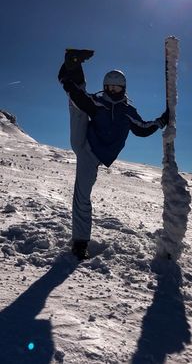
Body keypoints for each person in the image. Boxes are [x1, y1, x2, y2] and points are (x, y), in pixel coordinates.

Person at [58, 49, 169, 260]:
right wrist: (68, 85)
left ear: (123, 88)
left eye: (116, 87)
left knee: (78, 99)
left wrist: (161, 120)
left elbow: (142, 129)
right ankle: (80, 243)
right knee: (77, 103)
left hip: (99, 153)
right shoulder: (99, 102)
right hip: (87, 148)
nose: (112, 90)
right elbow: (81, 99)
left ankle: (72, 64)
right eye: (109, 86)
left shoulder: (127, 111)